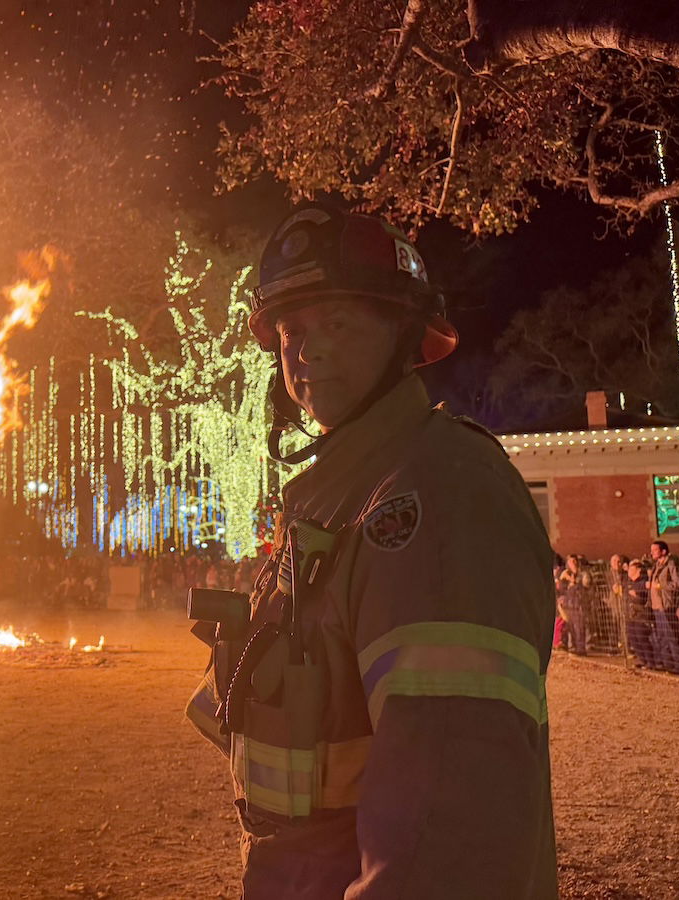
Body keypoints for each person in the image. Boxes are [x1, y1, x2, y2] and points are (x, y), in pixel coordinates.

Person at [185, 204, 556, 898]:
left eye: (340, 322)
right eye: (292, 330)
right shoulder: (334, 498)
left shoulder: (440, 496)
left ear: (404, 335)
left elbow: (447, 840)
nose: (306, 350)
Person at [647, 540, 679, 675]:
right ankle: (667, 663)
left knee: (671, 636)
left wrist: (661, 586)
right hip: (656, 606)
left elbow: (678, 583)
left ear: (663, 551)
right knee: (662, 637)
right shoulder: (657, 566)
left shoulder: (671, 564)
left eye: (655, 550)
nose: (652, 552)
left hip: (666, 605)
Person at [624, 559, 659, 669]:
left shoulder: (644, 582)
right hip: (631, 615)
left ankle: (650, 661)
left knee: (642, 637)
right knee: (633, 638)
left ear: (638, 570)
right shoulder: (630, 583)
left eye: (631, 569)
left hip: (641, 615)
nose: (629, 571)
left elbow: (643, 598)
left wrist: (635, 594)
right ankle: (643, 659)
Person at [556, 555, 590, 655]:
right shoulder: (565, 574)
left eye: (574, 561)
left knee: (579, 627)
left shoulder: (583, 574)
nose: (573, 563)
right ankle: (571, 646)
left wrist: (573, 581)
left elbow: (586, 586)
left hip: (579, 605)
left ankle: (581, 649)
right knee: (569, 627)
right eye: (570, 562)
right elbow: (561, 589)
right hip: (568, 605)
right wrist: (563, 580)